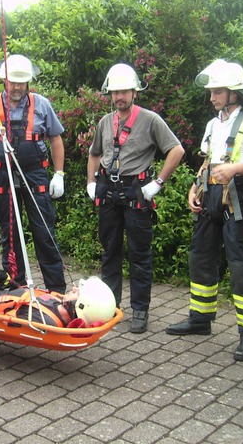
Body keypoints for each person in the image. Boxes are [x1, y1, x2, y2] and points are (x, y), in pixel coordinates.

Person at [165, 59, 243, 361]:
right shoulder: (213, 124)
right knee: (200, 258)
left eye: (218, 91)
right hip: (208, 199)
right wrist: (194, 187)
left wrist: (236, 169)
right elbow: (207, 162)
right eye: (211, 91)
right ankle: (200, 320)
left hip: (237, 202)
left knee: (241, 266)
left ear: (234, 93)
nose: (212, 97)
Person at [87, 63, 185, 333]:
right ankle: (111, 306)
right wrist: (90, 181)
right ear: (110, 94)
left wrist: (158, 183)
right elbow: (94, 154)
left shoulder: (151, 120)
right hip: (108, 192)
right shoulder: (105, 122)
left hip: (136, 193)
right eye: (115, 92)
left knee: (140, 254)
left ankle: (140, 310)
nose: (119, 96)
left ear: (134, 93)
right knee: (110, 253)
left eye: (124, 91)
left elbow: (176, 150)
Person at [0, 54, 67, 293]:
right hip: (3, 176)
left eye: (21, 82)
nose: (17, 87)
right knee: (10, 237)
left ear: (28, 82)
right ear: (4, 80)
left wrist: (59, 173)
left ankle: (56, 291)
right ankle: (16, 288)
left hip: (35, 175)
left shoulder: (41, 105)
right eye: (12, 81)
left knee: (44, 233)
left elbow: (56, 139)